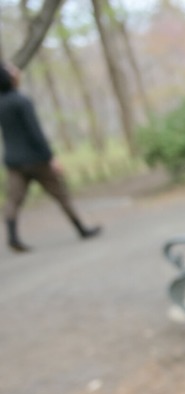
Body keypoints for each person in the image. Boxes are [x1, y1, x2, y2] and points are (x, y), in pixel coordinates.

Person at [0, 61, 101, 253]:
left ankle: (12, 238)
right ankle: (81, 229)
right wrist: (50, 158)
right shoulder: (22, 101)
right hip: (36, 159)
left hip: (13, 161)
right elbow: (35, 132)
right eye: (13, 70)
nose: (17, 71)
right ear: (10, 77)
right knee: (60, 194)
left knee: (13, 200)